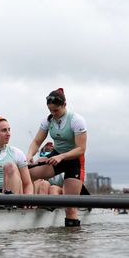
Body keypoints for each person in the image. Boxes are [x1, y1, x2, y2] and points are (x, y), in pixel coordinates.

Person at [26, 88, 87, 226]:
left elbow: (81, 149)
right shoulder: (48, 120)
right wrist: (29, 155)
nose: (53, 114)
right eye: (51, 111)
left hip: (74, 161)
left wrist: (62, 157)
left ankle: (71, 241)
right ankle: (25, 207)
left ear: (64, 105)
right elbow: (36, 142)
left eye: (56, 111)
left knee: (70, 207)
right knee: (28, 173)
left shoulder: (77, 120)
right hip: (56, 156)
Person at [0, 116, 33, 195]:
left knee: (10, 166)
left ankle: (9, 203)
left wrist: (29, 201)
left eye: (9, 130)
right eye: (4, 130)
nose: (8, 134)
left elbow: (27, 184)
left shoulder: (17, 153)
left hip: (14, 194)